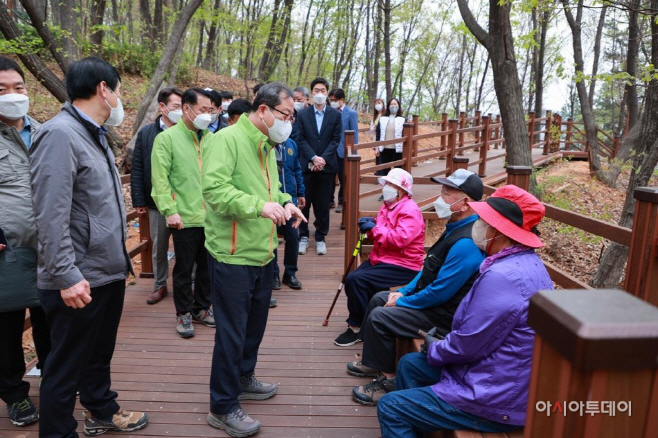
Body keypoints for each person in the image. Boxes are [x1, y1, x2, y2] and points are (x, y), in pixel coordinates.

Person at [29, 56, 148, 437]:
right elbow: (49, 215)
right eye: (119, 89)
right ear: (103, 89)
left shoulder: (91, 133)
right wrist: (66, 275)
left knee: (98, 355)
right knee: (65, 367)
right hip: (77, 278)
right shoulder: (60, 134)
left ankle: (101, 409)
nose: (120, 98)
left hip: (105, 270)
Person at [377, 185, 553, 437]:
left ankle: (418, 418)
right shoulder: (527, 262)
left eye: (483, 220)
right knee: (410, 364)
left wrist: (435, 347)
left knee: (391, 407)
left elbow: (469, 344)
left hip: (495, 397)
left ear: (500, 231)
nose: (478, 225)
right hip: (503, 375)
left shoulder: (503, 276)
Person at [202, 82, 306, 437]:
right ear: (263, 110)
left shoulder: (266, 144)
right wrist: (259, 206)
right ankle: (222, 405)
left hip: (263, 252)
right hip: (232, 255)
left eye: (291, 116)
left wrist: (285, 200)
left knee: (254, 326)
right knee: (231, 332)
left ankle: (244, 377)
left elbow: (269, 189)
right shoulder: (226, 140)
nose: (288, 122)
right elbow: (215, 192)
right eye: (285, 115)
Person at [348, 169, 486, 406]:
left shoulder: (467, 242)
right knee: (380, 298)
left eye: (447, 193)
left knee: (382, 316)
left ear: (466, 203)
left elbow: (442, 291)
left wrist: (402, 301)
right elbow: (428, 269)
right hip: (434, 303)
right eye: (442, 192)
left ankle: (388, 381)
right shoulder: (455, 227)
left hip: (444, 316)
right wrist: (404, 291)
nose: (440, 199)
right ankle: (375, 363)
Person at [0, 56, 50, 428]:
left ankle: (56, 376)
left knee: (53, 317)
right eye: (2, 90)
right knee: (6, 327)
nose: (12, 96)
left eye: (18, 88)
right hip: (8, 250)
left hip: (51, 247)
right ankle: (14, 395)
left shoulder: (46, 132)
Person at [334, 168, 424, 347]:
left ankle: (357, 326)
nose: (387, 187)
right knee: (352, 279)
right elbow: (383, 232)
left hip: (404, 263)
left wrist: (373, 229)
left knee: (356, 279)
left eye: (392, 184)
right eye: (387, 184)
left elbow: (400, 239)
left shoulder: (410, 210)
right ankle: (365, 319)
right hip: (383, 258)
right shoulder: (388, 206)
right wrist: (370, 226)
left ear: (402, 190)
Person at [151, 87, 215, 338]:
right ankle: (183, 313)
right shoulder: (166, 139)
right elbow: (160, 179)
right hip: (184, 216)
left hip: (210, 216)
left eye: (210, 110)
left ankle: (202, 308)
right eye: (202, 110)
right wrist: (170, 210)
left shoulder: (211, 138)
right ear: (186, 109)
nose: (207, 115)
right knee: (183, 268)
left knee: (207, 268)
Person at [131, 87, 183, 305]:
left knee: (185, 248)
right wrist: (139, 200)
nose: (180, 111)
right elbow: (138, 167)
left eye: (183, 106)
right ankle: (159, 285)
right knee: (159, 247)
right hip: (156, 203)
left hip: (184, 203)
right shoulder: (146, 133)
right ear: (162, 107)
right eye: (176, 106)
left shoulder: (188, 133)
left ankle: (186, 285)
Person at [295, 77, 342, 255]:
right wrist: (313, 157)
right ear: (311, 93)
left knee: (323, 204)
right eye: (316, 90)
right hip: (307, 165)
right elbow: (300, 138)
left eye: (323, 91)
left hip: (326, 166)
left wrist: (322, 159)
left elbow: (335, 139)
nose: (319, 94)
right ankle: (304, 235)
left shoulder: (335, 115)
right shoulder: (303, 114)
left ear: (327, 93)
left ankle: (321, 236)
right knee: (304, 202)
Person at [272, 133, 306, 291]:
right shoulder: (267, 142)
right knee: (271, 239)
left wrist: (301, 193)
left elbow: (297, 169)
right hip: (272, 202)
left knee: (293, 237)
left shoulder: (291, 143)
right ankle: (274, 275)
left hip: (290, 200)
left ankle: (290, 273)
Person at [328, 88, 359, 213]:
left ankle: (342, 201)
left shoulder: (350, 113)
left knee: (343, 178)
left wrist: (352, 150)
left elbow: (354, 133)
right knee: (329, 176)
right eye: (331, 100)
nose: (333, 102)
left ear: (342, 99)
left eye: (335, 100)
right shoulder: (329, 112)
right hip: (331, 150)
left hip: (343, 150)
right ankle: (329, 200)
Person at [377, 98, 406, 174]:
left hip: (397, 149)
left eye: (395, 104)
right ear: (388, 106)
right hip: (385, 148)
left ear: (398, 106)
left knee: (397, 171)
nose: (393, 106)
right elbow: (379, 134)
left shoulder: (402, 119)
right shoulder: (382, 119)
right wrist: (377, 148)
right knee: (385, 170)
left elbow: (405, 135)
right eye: (391, 104)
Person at [370, 97, 386, 175]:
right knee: (377, 156)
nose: (377, 105)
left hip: (382, 139)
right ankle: (377, 171)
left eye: (379, 103)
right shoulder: (375, 116)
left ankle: (380, 172)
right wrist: (373, 128)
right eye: (376, 104)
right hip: (375, 138)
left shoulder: (385, 115)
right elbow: (370, 131)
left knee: (381, 156)